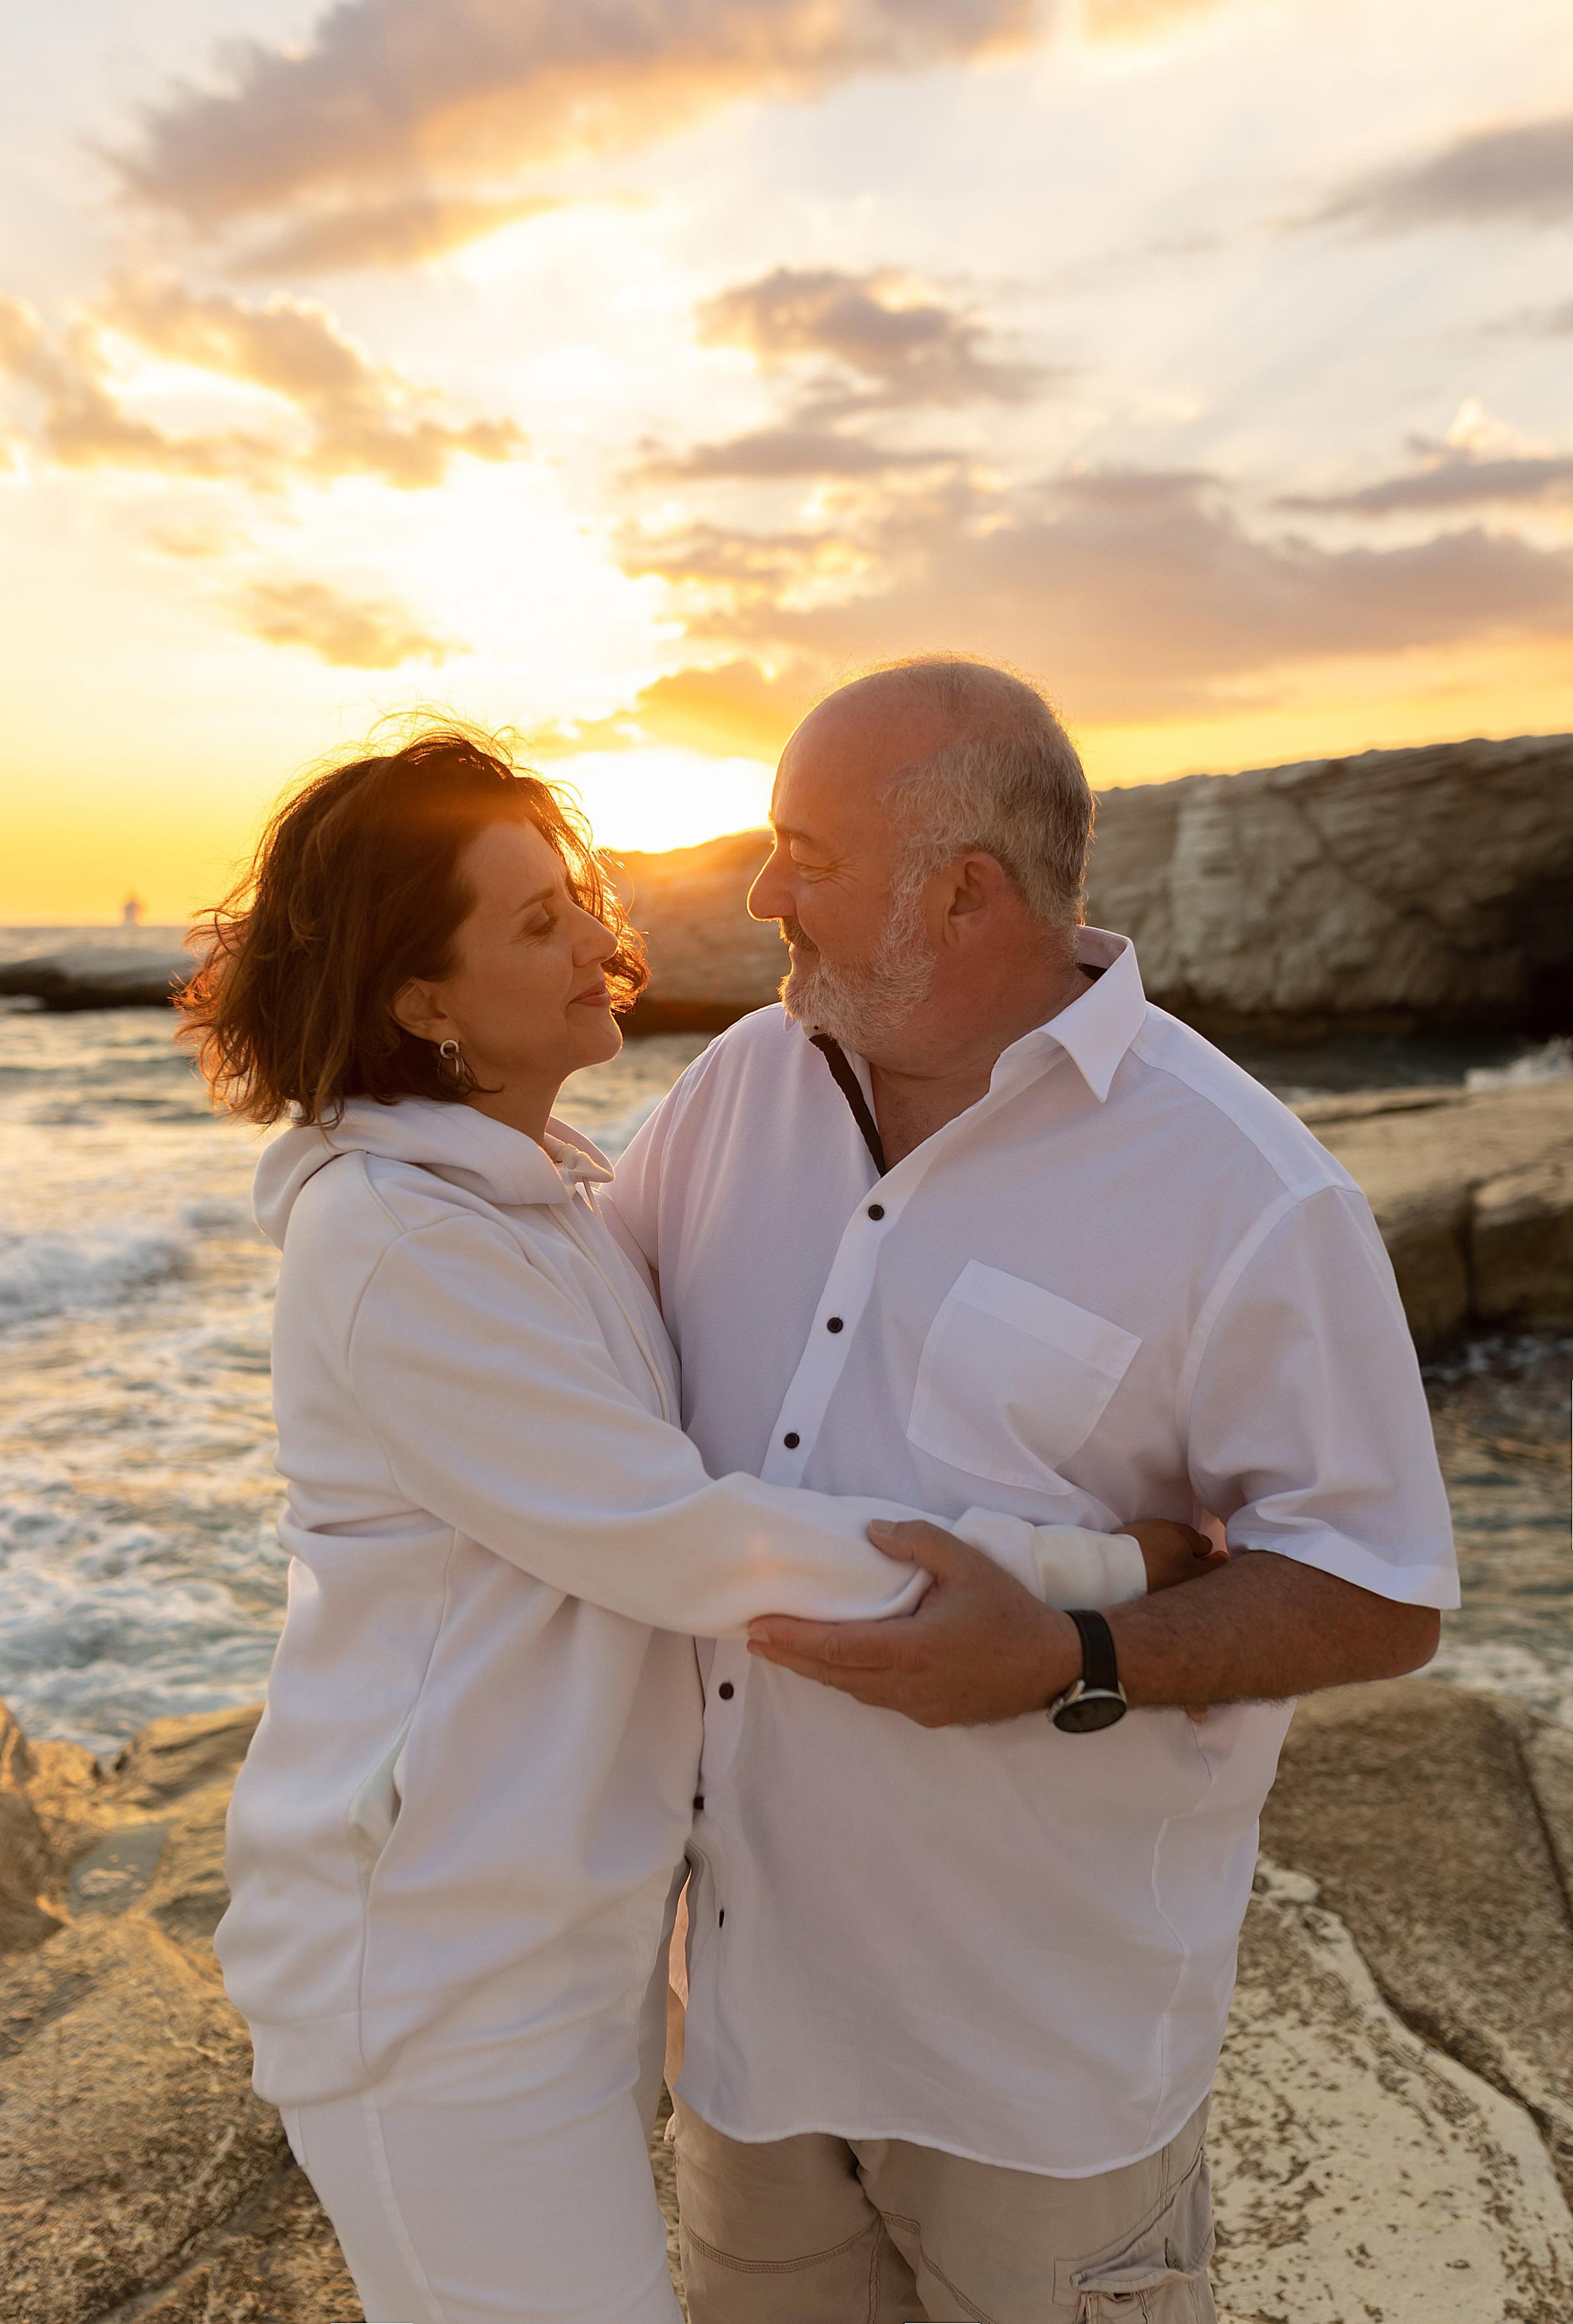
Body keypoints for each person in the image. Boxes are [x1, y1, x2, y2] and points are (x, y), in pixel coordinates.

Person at [181, 725, 1205, 2324]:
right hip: (433, 1979)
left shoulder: (548, 1199)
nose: (600, 941)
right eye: (536, 925)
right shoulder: (398, 1242)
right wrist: (1099, 1574)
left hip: (556, 1946)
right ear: (420, 1000)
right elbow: (680, 1540)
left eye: (577, 896)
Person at [604, 657, 1460, 2324]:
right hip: (747, 2037)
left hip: (1037, 2065)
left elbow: (1377, 1588)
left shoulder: (1244, 1191)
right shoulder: (730, 1091)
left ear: (963, 893)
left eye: (803, 855)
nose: (762, 895)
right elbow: (586, 1394)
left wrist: (1074, 1652)